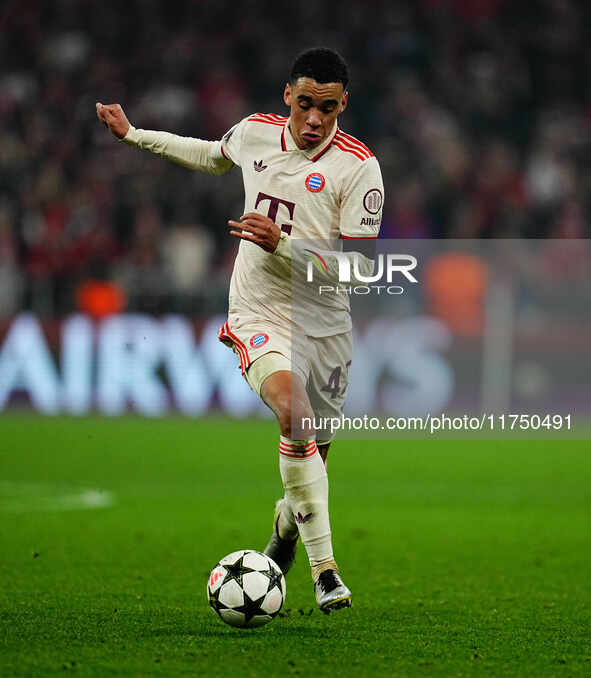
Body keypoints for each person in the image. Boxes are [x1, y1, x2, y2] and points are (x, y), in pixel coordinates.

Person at [96, 47, 383, 614]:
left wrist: (286, 245)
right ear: (288, 96)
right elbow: (209, 155)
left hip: (324, 324)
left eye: (328, 108)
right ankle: (326, 572)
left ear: (343, 104)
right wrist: (134, 135)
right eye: (305, 104)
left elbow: (364, 270)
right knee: (294, 415)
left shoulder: (359, 167)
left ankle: (285, 522)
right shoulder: (255, 133)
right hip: (260, 312)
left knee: (312, 462)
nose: (315, 119)